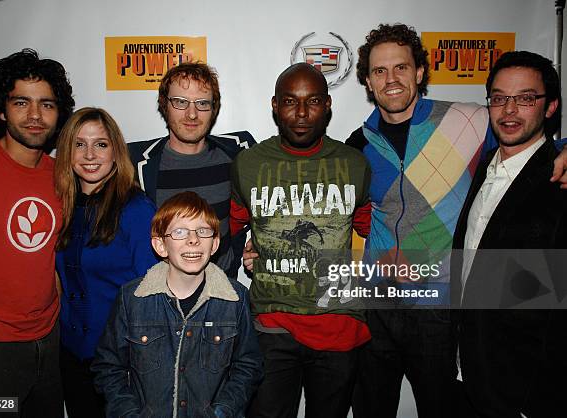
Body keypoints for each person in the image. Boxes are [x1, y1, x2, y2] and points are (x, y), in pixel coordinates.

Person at [348, 23, 567, 418]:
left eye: (401, 67)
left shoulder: (472, 119)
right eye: (380, 71)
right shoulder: (358, 144)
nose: (391, 79)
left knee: (441, 407)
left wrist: (565, 148)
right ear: (367, 80)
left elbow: (526, 133)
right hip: (377, 303)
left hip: (440, 304)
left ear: (419, 72)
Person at [231, 63, 372, 418]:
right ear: (275, 105)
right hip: (271, 322)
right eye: (291, 102)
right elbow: (229, 230)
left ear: (327, 106)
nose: (302, 113)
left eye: (312, 102)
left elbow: (373, 234)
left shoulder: (355, 164)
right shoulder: (248, 163)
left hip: (338, 321)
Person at [0, 49, 74, 417]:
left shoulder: (64, 176)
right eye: (22, 102)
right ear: (2, 110)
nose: (36, 116)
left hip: (47, 344)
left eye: (47, 105)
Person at [452, 51, 567, 418]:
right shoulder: (485, 164)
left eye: (526, 98)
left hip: (521, 394)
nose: (510, 110)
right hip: (467, 374)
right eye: (500, 98)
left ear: (551, 107)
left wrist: (534, 402)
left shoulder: (559, 183)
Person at [92, 191, 263, 418]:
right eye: (180, 232)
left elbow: (248, 365)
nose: (193, 240)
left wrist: (223, 412)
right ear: (161, 245)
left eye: (203, 231)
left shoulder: (235, 298)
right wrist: (130, 413)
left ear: (214, 244)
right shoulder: (131, 298)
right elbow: (108, 367)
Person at [54, 107, 158, 418]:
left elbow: (153, 291)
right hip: (71, 355)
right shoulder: (61, 206)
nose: (89, 155)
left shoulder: (136, 209)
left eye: (100, 144)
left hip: (122, 362)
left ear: (115, 150)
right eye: (79, 144)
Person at [128, 62, 255, 279]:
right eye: (180, 102)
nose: (192, 114)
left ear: (214, 109)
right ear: (164, 105)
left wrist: (263, 242)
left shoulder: (240, 153)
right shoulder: (134, 163)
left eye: (202, 103)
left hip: (222, 294)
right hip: (160, 298)